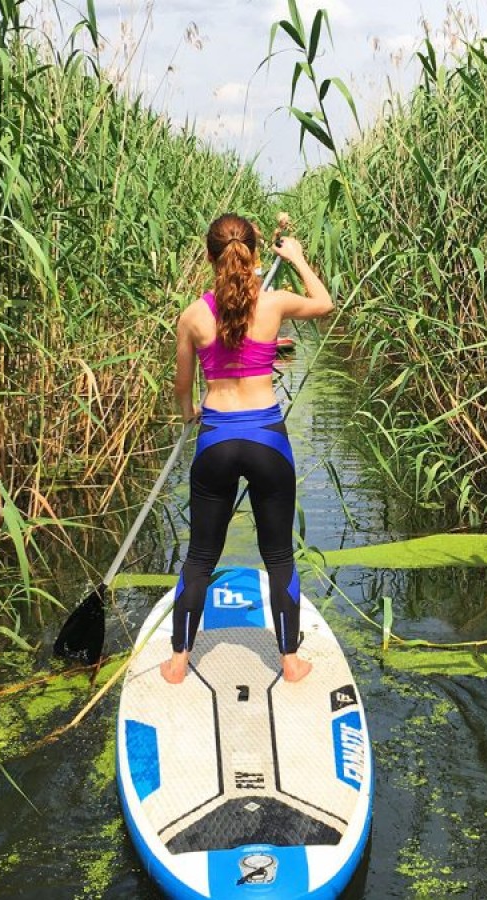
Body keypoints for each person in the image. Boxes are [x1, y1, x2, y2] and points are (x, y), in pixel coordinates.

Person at [159, 213, 334, 685]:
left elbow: (181, 385)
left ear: (209, 256)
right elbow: (324, 303)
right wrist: (296, 258)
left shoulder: (193, 316)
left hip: (216, 439)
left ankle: (178, 662)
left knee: (200, 556)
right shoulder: (272, 303)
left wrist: (189, 410)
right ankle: (290, 662)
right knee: (278, 556)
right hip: (266, 442)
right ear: (255, 255)